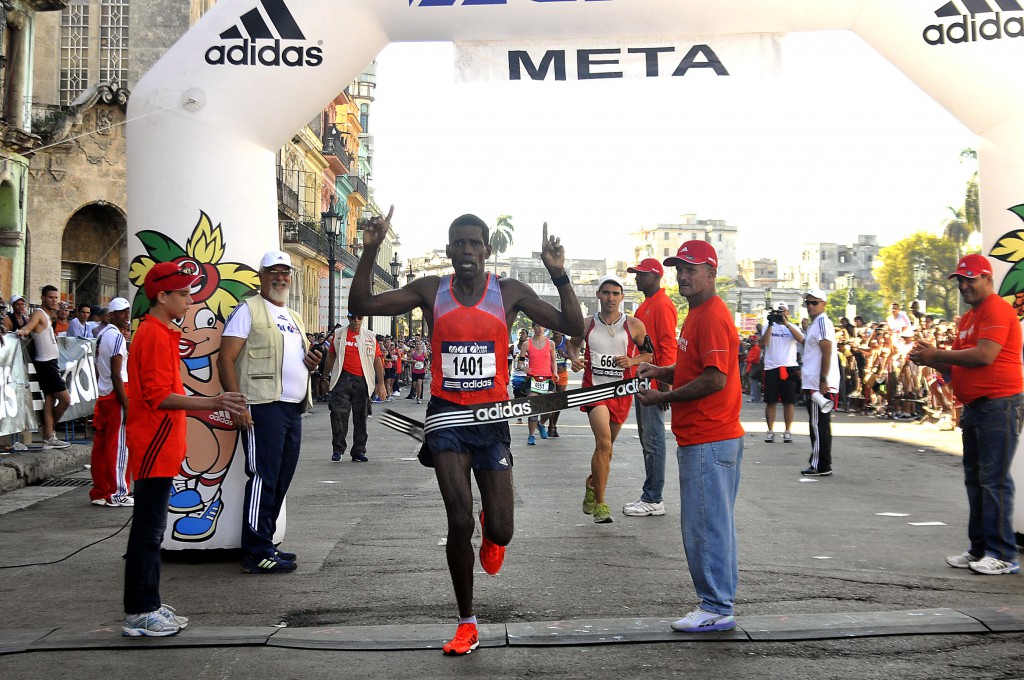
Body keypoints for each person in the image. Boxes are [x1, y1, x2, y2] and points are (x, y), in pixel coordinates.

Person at [350, 210, 584, 656]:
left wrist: (560, 275)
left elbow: (573, 327)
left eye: (475, 243)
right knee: (457, 520)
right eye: (458, 243)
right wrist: (371, 248)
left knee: (502, 529)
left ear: (486, 251)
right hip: (446, 420)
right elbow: (361, 305)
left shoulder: (509, 292)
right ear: (449, 250)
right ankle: (467, 622)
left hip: (492, 421)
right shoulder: (429, 290)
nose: (466, 251)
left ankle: (491, 529)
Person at [122, 262, 247, 637]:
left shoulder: (159, 331)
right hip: (154, 445)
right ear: (162, 296)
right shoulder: (156, 335)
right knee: (148, 531)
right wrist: (215, 402)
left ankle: (147, 603)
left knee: (152, 529)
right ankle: (140, 611)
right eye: (184, 294)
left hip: (160, 444)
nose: (190, 300)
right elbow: (159, 397)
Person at [637, 240, 744, 633]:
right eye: (679, 268)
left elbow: (715, 378)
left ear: (712, 273)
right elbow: (693, 367)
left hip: (709, 438)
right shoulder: (697, 312)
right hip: (710, 437)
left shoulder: (712, 314)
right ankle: (718, 602)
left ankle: (716, 606)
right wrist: (660, 370)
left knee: (704, 525)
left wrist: (665, 397)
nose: (682, 275)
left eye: (691, 269)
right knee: (713, 523)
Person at [909, 254, 1023, 576]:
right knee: (978, 480)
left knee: (993, 481)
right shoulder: (970, 317)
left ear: (988, 279)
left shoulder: (997, 309)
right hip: (979, 407)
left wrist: (937, 354)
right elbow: (958, 364)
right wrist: (929, 358)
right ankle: (980, 549)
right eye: (960, 279)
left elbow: (985, 355)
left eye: (970, 279)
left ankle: (1002, 554)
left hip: (999, 405)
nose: (964, 285)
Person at [218, 251, 322, 574]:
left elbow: (297, 358)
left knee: (281, 476)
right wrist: (237, 402)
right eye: (273, 272)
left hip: (292, 408)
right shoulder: (248, 310)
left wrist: (312, 362)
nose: (280, 278)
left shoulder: (294, 317)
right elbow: (225, 358)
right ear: (261, 277)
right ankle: (255, 550)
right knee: (263, 476)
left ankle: (266, 542)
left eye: (285, 273)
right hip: (261, 406)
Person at [567, 276, 650, 524]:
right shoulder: (586, 324)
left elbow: (649, 354)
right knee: (603, 444)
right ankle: (601, 505)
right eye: (606, 293)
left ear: (622, 297)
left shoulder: (634, 325)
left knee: (608, 448)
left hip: (621, 393)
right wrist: (574, 358)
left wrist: (632, 361)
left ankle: (592, 483)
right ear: (598, 295)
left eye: (615, 293)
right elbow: (571, 346)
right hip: (594, 391)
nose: (610, 298)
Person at [623, 257, 677, 518]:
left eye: (642, 274)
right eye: (636, 274)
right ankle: (651, 494)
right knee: (648, 439)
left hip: (653, 381)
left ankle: (654, 498)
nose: (637, 278)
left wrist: (664, 387)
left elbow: (667, 348)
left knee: (654, 440)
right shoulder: (646, 306)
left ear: (656, 276)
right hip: (643, 378)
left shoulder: (663, 305)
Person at [322, 313, 386, 462]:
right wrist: (325, 377)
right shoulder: (338, 335)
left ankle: (358, 450)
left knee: (361, 417)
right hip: (342, 378)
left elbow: (377, 360)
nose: (356, 320)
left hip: (362, 380)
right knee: (337, 414)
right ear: (348, 318)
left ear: (363, 318)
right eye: (353, 317)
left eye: (359, 317)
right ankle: (338, 449)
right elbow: (331, 356)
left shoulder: (370, 336)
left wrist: (381, 384)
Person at [15, 285, 72, 449]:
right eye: (51, 298)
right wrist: (23, 331)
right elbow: (29, 326)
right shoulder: (39, 314)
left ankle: (48, 436)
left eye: (56, 297)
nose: (54, 300)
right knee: (65, 400)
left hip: (51, 362)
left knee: (50, 398)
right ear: (43, 298)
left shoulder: (47, 315)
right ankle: (49, 431)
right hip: (46, 364)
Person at [90, 297, 133, 507]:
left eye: (127, 311)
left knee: (102, 445)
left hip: (105, 392)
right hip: (117, 392)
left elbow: (102, 368)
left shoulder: (102, 335)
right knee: (119, 446)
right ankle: (117, 492)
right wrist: (125, 402)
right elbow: (117, 373)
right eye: (122, 312)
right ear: (112, 315)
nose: (126, 316)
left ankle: (100, 490)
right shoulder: (116, 337)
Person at [800, 288, 840, 477]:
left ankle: (819, 464)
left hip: (818, 383)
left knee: (817, 425)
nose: (810, 306)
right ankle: (823, 462)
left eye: (814, 302)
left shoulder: (823, 322)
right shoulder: (816, 324)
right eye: (807, 303)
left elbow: (827, 350)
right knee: (820, 424)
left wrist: (823, 378)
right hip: (815, 381)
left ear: (823, 304)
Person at [762, 301, 803, 443]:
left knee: (789, 402)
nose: (780, 313)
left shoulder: (793, 327)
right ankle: (770, 430)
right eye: (778, 311)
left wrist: (786, 323)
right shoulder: (768, 326)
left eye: (783, 311)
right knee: (771, 401)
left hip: (789, 367)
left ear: (787, 312)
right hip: (772, 367)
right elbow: (765, 342)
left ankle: (787, 430)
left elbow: (801, 339)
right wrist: (771, 323)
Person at [521, 320, 557, 446]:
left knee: (550, 408)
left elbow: (553, 361)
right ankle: (531, 435)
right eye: (537, 326)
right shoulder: (527, 344)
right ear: (533, 328)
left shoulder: (550, 343)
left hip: (547, 379)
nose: (540, 328)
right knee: (533, 408)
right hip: (533, 379)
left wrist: (555, 372)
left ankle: (541, 424)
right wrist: (523, 367)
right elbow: (519, 362)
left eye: (542, 325)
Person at [540, 329, 570, 437]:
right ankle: (550, 426)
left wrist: (564, 355)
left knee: (560, 401)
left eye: (558, 330)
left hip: (562, 373)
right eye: (554, 330)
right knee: (551, 400)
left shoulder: (566, 342)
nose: (556, 331)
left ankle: (553, 425)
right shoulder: (548, 341)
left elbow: (573, 356)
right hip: (550, 373)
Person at [409, 340, 429, 404]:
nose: (418, 345)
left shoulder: (424, 353)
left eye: (419, 344)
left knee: (419, 384)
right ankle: (415, 393)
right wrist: (412, 361)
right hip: (415, 370)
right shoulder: (413, 353)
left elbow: (427, 360)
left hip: (421, 371)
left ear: (421, 345)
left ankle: (418, 398)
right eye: (417, 344)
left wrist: (426, 367)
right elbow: (409, 360)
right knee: (414, 385)